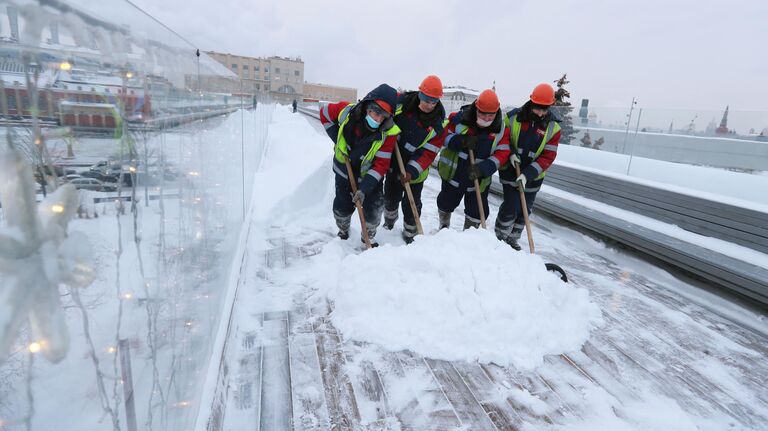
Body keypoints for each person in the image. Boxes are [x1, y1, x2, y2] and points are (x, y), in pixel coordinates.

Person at [319, 84, 400, 246]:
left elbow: (381, 164)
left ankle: (368, 234)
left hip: (369, 174)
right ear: (367, 107)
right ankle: (343, 229)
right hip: (344, 169)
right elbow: (324, 114)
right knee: (343, 203)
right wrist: (337, 138)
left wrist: (365, 188)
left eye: (383, 116)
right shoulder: (347, 112)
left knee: (374, 206)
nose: (377, 119)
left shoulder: (388, 133)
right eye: (376, 113)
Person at [495, 83, 561, 250]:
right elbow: (503, 139)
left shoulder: (553, 128)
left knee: (525, 211)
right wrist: (510, 154)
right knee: (512, 206)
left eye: (544, 109)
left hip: (533, 178)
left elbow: (548, 156)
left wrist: (527, 175)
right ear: (531, 102)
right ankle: (500, 237)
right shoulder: (512, 118)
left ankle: (513, 238)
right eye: (537, 108)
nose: (540, 113)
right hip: (510, 171)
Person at [382, 75, 448, 243]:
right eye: (426, 100)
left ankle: (411, 233)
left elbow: (429, 152)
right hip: (394, 163)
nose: (429, 105)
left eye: (434, 102)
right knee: (390, 197)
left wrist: (411, 171)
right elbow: (384, 109)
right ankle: (389, 223)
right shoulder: (402, 104)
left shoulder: (439, 125)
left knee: (412, 204)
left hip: (415, 171)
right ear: (420, 94)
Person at [436, 89, 511, 230]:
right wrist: (459, 141)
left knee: (477, 211)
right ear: (476, 109)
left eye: (491, 115)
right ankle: (444, 226)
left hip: (478, 178)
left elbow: (502, 153)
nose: (487, 118)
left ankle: (470, 236)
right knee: (446, 203)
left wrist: (484, 168)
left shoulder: (501, 130)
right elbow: (443, 136)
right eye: (483, 113)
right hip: (454, 174)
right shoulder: (459, 118)